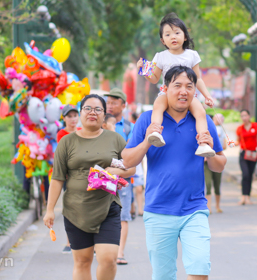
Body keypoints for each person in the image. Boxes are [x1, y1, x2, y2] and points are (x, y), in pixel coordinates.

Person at [123, 66, 227, 280]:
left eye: (189, 86)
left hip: (194, 209)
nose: (184, 91)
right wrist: (146, 141)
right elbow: (127, 161)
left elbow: (219, 164)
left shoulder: (203, 122)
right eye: (177, 85)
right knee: (163, 275)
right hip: (158, 210)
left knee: (199, 268)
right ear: (165, 88)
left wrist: (209, 153)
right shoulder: (148, 119)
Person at [43, 94, 135, 280]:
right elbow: (58, 178)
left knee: (108, 259)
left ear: (104, 114)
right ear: (80, 112)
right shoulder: (66, 142)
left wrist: (117, 172)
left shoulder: (115, 139)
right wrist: (50, 209)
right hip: (76, 210)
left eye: (98, 109)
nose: (92, 113)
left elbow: (131, 166)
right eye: (88, 108)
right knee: (83, 261)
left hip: (108, 207)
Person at [137, 13, 216, 158]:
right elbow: (154, 79)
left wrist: (207, 96)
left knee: (200, 113)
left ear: (185, 36)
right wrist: (144, 72)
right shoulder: (160, 56)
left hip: (188, 96)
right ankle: (155, 132)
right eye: (168, 34)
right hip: (167, 94)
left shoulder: (192, 55)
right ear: (163, 40)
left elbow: (198, 78)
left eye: (177, 33)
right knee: (158, 106)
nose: (173, 37)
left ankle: (203, 143)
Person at [106, 87, 135, 266]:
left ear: (123, 105)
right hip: (99, 178)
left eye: (114, 103)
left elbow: (130, 155)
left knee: (122, 216)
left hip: (122, 179)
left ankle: (119, 252)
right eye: (108, 102)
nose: (110, 106)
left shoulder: (129, 128)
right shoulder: (98, 123)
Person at [55, 105, 80, 254]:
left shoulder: (82, 132)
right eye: (69, 116)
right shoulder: (61, 134)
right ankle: (70, 241)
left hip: (83, 175)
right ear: (64, 118)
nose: (73, 119)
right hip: (68, 176)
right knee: (70, 208)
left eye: (75, 116)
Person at [235, 109, 257, 205]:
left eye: (245, 115)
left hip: (253, 154)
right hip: (244, 154)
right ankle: (243, 197)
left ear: (249, 116)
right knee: (245, 174)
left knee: (250, 175)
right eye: (242, 116)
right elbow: (238, 141)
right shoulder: (239, 129)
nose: (244, 118)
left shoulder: (255, 126)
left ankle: (248, 197)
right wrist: (232, 143)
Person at [205, 114, 228, 213]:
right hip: (205, 162)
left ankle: (218, 206)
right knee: (208, 184)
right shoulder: (201, 129)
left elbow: (223, 146)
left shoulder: (219, 130)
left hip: (216, 158)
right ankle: (208, 207)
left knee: (217, 184)